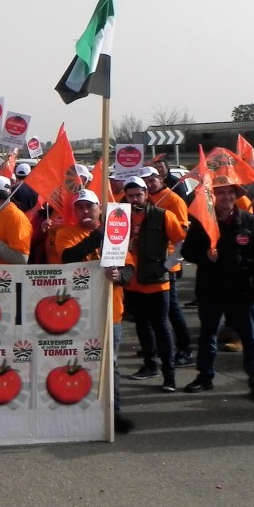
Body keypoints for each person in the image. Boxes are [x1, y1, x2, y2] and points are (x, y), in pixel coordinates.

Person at [180, 176, 254, 403]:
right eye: (221, 193)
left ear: (237, 195)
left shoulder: (251, 222)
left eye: (231, 192)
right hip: (211, 289)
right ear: (213, 196)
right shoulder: (203, 222)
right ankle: (205, 376)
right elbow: (188, 252)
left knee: (250, 338)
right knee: (208, 336)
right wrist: (205, 256)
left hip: (241, 291)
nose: (226, 197)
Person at [58, 190, 136, 433]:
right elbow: (68, 258)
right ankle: (76, 412)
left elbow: (130, 269)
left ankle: (113, 412)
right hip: (77, 313)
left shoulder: (116, 233)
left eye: (89, 207)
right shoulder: (66, 234)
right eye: (79, 208)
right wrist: (97, 236)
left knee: (109, 365)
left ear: (99, 209)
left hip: (110, 311)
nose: (84, 212)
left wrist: (119, 275)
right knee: (75, 364)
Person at [122, 176, 187, 393]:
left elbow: (181, 242)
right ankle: (150, 365)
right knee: (141, 325)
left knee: (161, 327)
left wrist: (167, 266)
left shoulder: (163, 215)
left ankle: (170, 375)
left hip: (157, 283)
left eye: (138, 194)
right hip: (131, 282)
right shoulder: (119, 218)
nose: (134, 199)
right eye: (130, 195)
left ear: (146, 194)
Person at [143, 166, 194, 367]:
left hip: (167, 263)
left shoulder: (174, 199)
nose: (148, 183)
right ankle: (157, 347)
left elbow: (182, 232)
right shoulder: (145, 200)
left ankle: (186, 350)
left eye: (151, 179)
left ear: (161, 179)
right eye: (144, 180)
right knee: (154, 311)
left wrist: (171, 262)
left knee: (171, 310)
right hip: (149, 264)